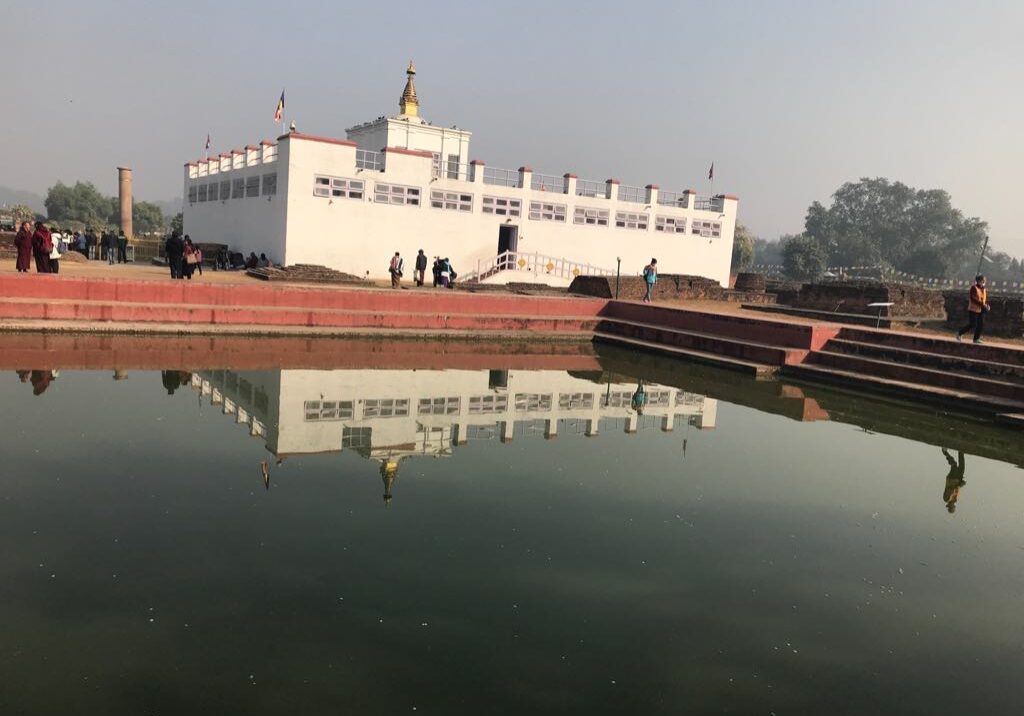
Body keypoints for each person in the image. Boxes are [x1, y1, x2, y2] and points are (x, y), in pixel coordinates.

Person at [956, 275, 990, 344]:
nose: (984, 282)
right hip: (973, 309)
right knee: (973, 324)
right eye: (983, 280)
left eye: (984, 280)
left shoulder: (983, 289)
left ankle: (976, 338)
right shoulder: (974, 288)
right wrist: (983, 305)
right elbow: (973, 299)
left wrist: (986, 305)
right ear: (979, 281)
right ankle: (960, 333)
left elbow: (983, 299)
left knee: (981, 324)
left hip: (981, 309)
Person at [941, 448, 966, 514]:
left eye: (951, 507)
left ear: (949, 506)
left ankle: (945, 452)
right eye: (953, 507)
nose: (952, 505)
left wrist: (959, 486)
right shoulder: (955, 499)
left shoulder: (946, 499)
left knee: (954, 464)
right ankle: (961, 448)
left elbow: (950, 489)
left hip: (952, 479)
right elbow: (957, 489)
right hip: (958, 479)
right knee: (962, 463)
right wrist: (961, 484)